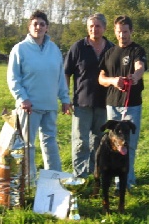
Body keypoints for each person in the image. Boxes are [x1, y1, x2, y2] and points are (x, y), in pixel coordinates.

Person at [7, 10, 71, 184]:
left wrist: (65, 99)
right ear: (29, 26)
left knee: (50, 142)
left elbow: (60, 77)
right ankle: (30, 181)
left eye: (42, 24)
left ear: (47, 28)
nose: (38, 27)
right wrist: (22, 98)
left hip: (49, 105)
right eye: (35, 23)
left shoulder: (54, 49)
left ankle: (54, 179)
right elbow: (13, 78)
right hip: (29, 106)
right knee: (28, 144)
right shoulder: (20, 49)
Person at [98, 15, 147, 190]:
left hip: (131, 105)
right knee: (113, 144)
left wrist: (135, 76)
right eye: (119, 32)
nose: (122, 35)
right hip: (112, 104)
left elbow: (140, 66)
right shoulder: (109, 52)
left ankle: (127, 181)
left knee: (129, 144)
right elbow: (101, 78)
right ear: (115, 31)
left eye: (125, 32)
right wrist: (112, 81)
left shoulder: (137, 50)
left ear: (131, 31)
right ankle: (114, 180)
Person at [64, 13, 114, 178]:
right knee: (81, 142)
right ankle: (79, 176)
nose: (94, 29)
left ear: (104, 28)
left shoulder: (112, 49)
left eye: (98, 26)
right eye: (91, 26)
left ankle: (95, 173)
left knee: (99, 142)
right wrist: (65, 98)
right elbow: (66, 73)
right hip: (82, 103)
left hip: (105, 104)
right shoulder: (78, 47)